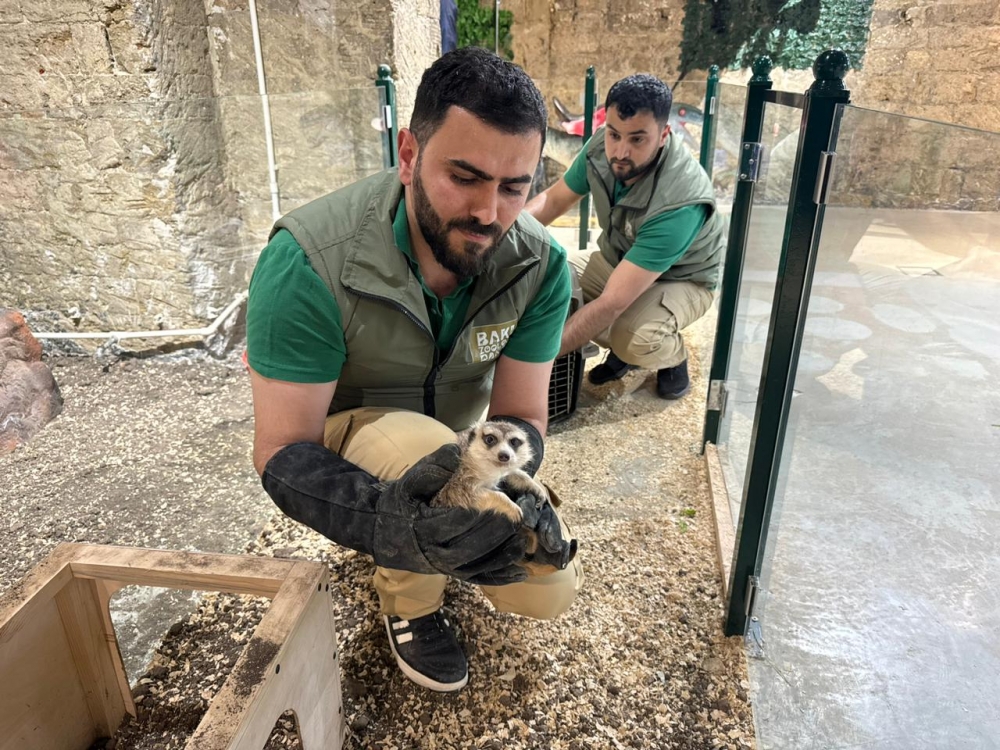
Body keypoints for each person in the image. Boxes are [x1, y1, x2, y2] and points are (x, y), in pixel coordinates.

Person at [245, 47, 581, 694]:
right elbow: (281, 448)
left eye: (514, 187)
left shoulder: (539, 266)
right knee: (429, 459)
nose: (489, 212)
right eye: (465, 176)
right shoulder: (307, 260)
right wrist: (384, 522)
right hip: (341, 437)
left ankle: (445, 535)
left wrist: (508, 484)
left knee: (546, 586)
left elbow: (522, 415)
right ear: (408, 154)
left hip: (460, 441)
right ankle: (411, 605)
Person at [525, 74, 726, 399]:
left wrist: (530, 360)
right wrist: (504, 235)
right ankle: (623, 347)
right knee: (550, 279)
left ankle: (671, 356)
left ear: (663, 135)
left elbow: (611, 302)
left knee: (633, 337)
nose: (620, 151)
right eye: (614, 134)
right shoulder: (600, 147)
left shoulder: (679, 200)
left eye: (637, 139)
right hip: (622, 259)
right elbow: (554, 200)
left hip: (684, 279)